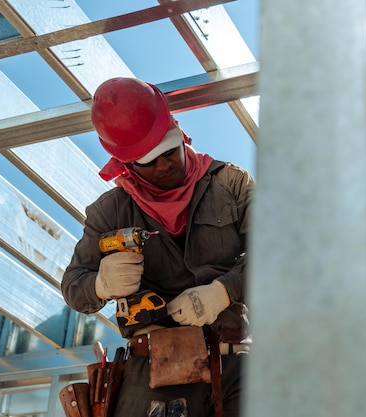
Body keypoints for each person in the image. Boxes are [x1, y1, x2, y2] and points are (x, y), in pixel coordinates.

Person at [61, 77, 253, 417]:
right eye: (150, 161)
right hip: (153, 370)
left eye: (170, 150)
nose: (165, 165)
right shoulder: (110, 212)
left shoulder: (231, 184)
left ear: (180, 134)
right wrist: (100, 285)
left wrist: (224, 291)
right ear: (127, 165)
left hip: (235, 365)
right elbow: (75, 287)